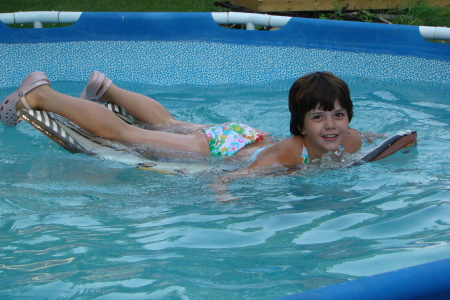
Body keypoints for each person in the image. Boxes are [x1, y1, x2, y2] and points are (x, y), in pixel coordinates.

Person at [0, 70, 362, 175]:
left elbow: (375, 139)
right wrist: (225, 193)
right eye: (319, 117)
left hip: (242, 134)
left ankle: (107, 88)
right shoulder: (289, 152)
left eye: (338, 115)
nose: (331, 125)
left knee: (168, 122)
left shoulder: (347, 137)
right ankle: (41, 94)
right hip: (226, 149)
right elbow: (241, 173)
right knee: (128, 135)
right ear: (299, 126)